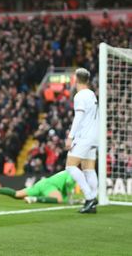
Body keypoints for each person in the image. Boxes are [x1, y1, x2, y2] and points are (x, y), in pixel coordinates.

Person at [65, 68, 99, 213]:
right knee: (88, 169)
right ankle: (92, 201)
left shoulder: (80, 96)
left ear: (76, 80)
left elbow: (79, 117)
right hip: (94, 136)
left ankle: (90, 197)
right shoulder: (92, 95)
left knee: (70, 166)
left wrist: (70, 137)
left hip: (84, 136)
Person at [0, 170, 77, 204]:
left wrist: (70, 199)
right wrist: (70, 198)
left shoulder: (69, 170)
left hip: (42, 183)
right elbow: (69, 183)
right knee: (59, 200)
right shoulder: (75, 172)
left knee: (17, 194)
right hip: (49, 186)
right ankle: (33, 199)